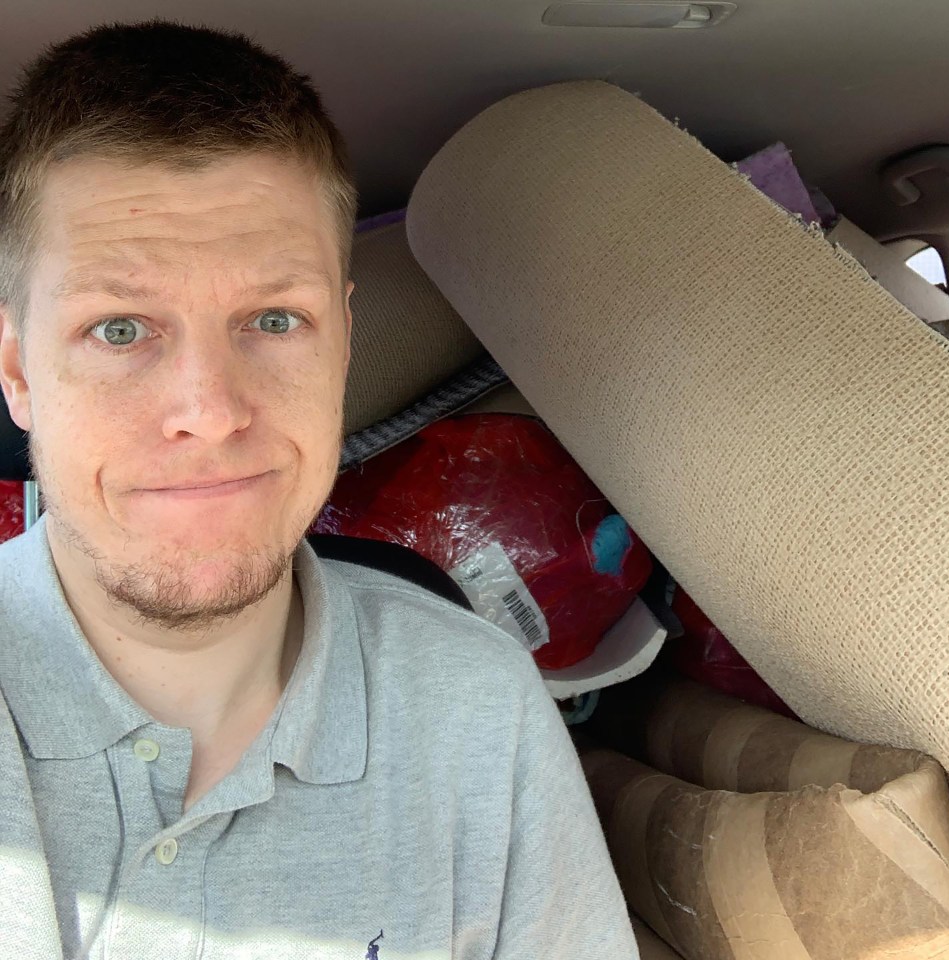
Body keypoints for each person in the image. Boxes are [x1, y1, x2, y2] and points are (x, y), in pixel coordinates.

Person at [0, 20, 639, 960]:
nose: (209, 412)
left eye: (272, 317)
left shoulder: (476, 709)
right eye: (121, 330)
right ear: (16, 371)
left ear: (341, 342)